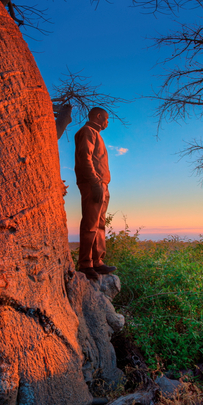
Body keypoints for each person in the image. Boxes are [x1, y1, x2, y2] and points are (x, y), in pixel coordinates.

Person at [74, 107, 116, 279]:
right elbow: (85, 158)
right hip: (94, 184)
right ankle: (85, 264)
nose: (107, 122)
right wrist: (96, 182)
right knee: (90, 225)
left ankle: (97, 262)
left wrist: (103, 184)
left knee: (99, 225)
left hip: (102, 185)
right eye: (106, 118)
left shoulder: (96, 135)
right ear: (98, 117)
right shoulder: (87, 131)